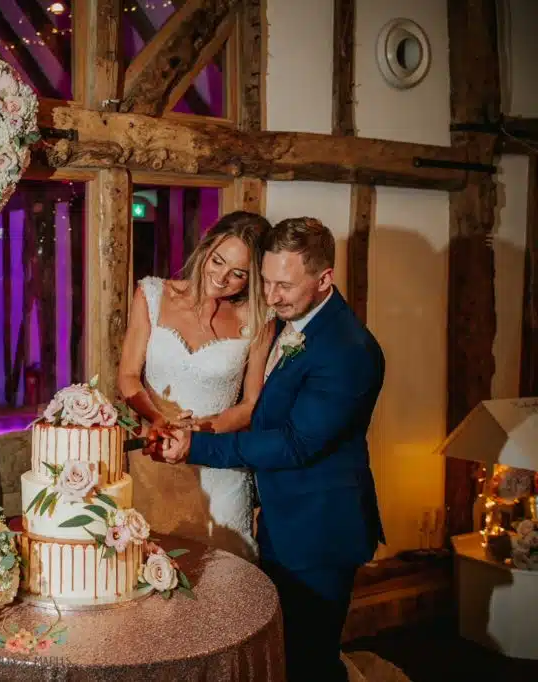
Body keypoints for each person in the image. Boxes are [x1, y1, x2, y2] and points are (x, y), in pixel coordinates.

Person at [148, 217, 385, 682]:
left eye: (285, 286)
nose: (272, 297)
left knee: (310, 661)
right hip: (281, 518)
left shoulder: (347, 349)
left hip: (319, 531)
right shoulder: (292, 323)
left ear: (324, 279)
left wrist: (198, 444)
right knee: (280, 656)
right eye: (266, 281)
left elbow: (294, 443)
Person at [118, 210, 274, 560]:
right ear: (206, 246)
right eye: (218, 261)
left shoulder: (258, 319)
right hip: (155, 460)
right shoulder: (152, 295)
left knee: (226, 572)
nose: (222, 277)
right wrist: (158, 419)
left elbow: (251, 405)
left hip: (219, 467)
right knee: (154, 569)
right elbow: (128, 375)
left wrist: (200, 431)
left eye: (238, 274)